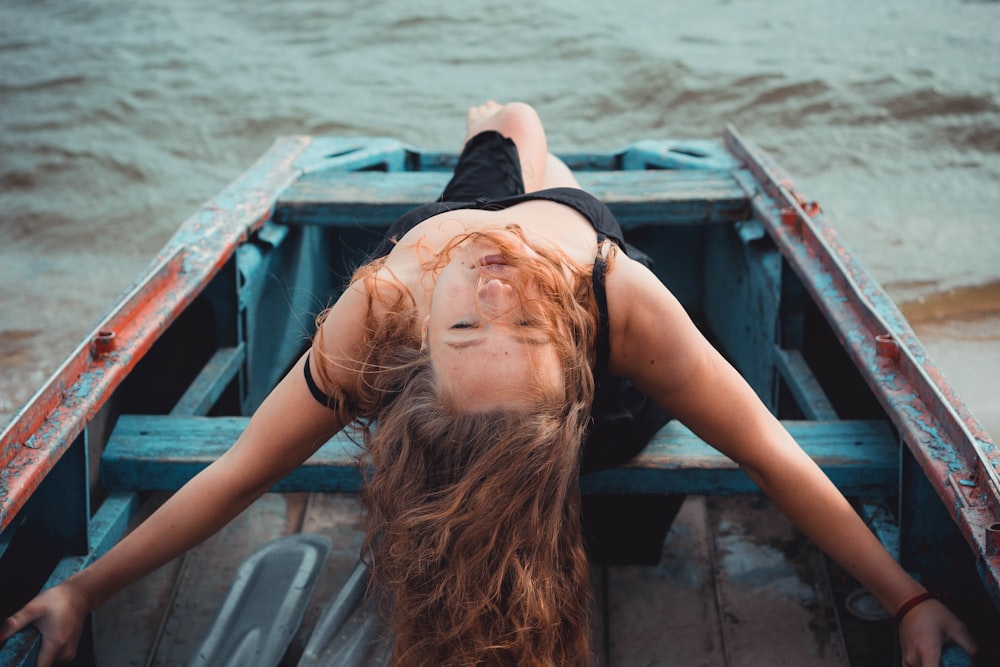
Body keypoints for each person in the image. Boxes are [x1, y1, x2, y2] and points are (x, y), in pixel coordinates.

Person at [0, 101, 978, 666]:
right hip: (570, 273)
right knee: (515, 126)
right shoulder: (597, 292)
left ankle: (515, 154)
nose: (496, 273)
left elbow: (251, 469)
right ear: (573, 360)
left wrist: (82, 586)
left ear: (428, 343)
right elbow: (766, 447)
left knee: (500, 126)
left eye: (476, 321)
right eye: (491, 316)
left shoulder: (402, 295)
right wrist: (900, 597)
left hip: (519, 313)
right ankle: (529, 162)